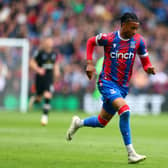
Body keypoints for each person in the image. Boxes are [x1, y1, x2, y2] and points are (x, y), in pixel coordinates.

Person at [66, 12, 156, 164]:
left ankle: (78, 123)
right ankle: (131, 153)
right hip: (106, 83)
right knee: (125, 111)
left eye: (137, 28)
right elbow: (90, 42)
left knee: (102, 121)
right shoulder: (109, 39)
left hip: (122, 87)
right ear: (123, 25)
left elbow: (145, 61)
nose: (135, 32)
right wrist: (89, 63)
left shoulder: (139, 41)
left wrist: (148, 67)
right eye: (132, 28)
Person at [29, 37, 60, 126]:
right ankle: (34, 99)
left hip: (49, 77)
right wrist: (38, 69)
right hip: (40, 77)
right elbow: (31, 62)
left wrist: (57, 73)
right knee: (39, 98)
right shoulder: (39, 52)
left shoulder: (54, 54)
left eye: (51, 41)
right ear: (45, 42)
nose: (50, 43)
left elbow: (56, 64)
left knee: (48, 94)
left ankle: (44, 117)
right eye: (49, 41)